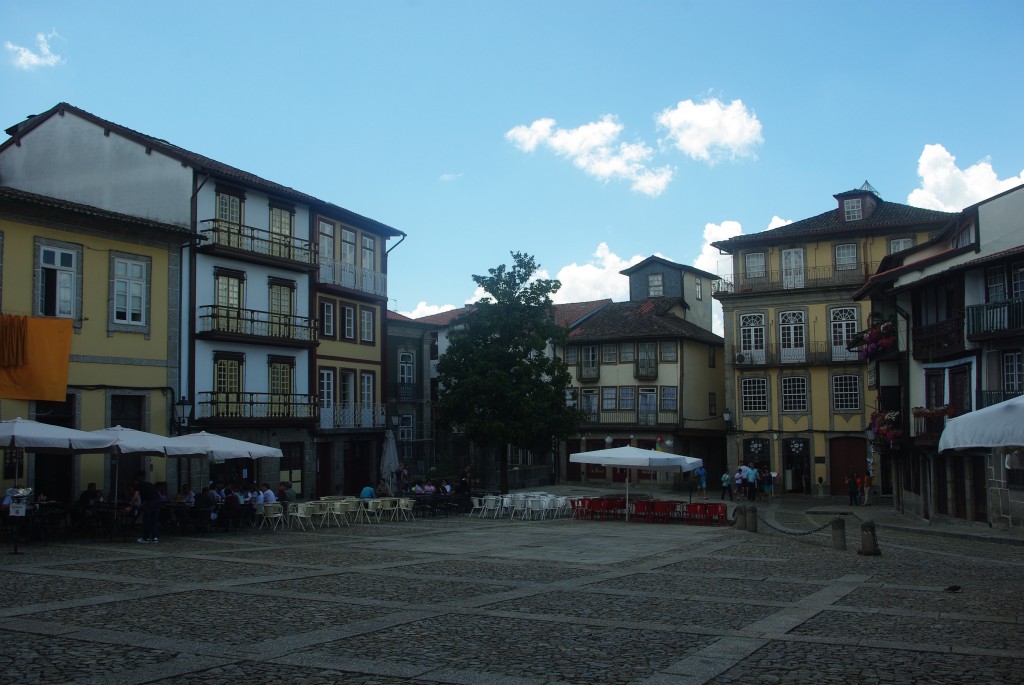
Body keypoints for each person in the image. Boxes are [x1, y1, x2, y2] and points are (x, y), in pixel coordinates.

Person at [133, 471, 161, 544]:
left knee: (147, 520)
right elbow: (149, 497)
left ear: (136, 481)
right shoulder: (149, 484)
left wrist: (131, 506)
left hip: (150, 502)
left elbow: (135, 496)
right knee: (154, 520)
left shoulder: (138, 485)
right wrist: (142, 505)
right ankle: (155, 538)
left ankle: (145, 538)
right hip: (157, 501)